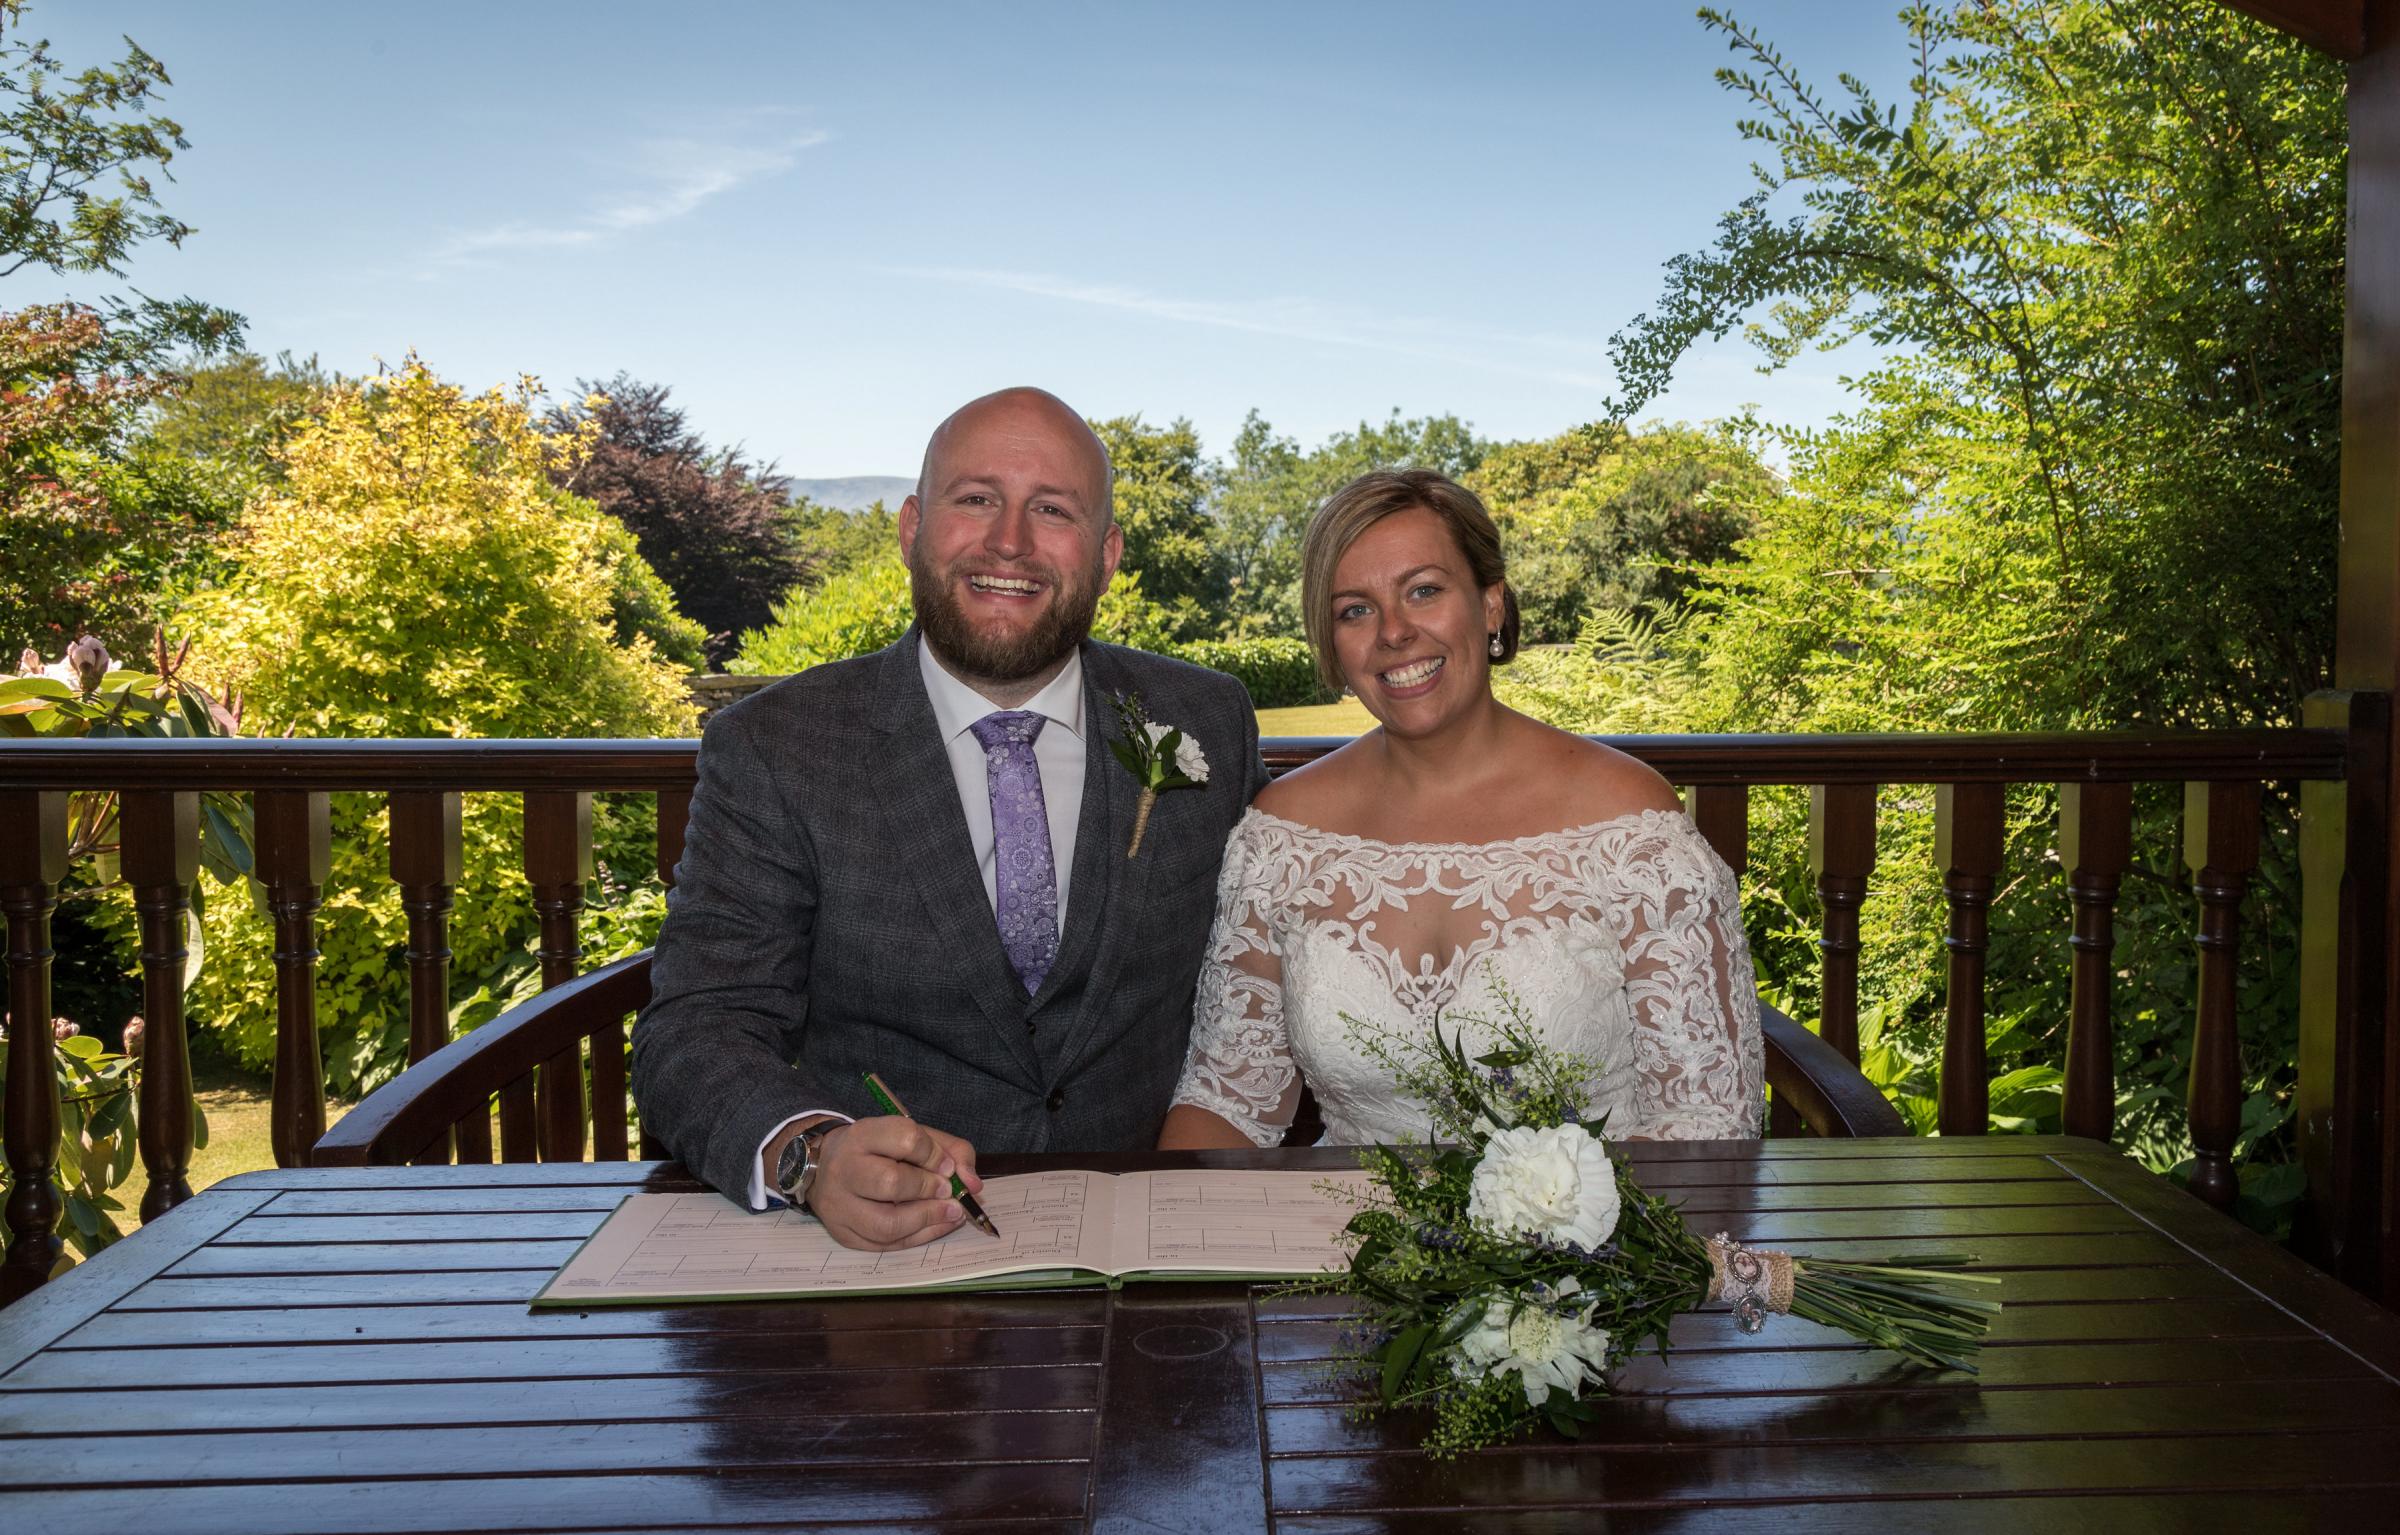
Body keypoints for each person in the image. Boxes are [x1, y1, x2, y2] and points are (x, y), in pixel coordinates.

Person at [635, 386, 1268, 1249]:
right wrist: (811, 1155)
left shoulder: (1208, 721)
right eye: (975, 499)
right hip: (883, 1277)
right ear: (909, 528)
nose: (1009, 541)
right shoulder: (777, 747)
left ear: (1109, 553)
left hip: (1154, 1252)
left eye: (1053, 509)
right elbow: (697, 1026)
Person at [1158, 469, 1761, 1149]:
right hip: (1337, 1240)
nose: (1393, 632)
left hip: (1595, 1245)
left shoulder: (1629, 822)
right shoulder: (1283, 833)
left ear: (1491, 603)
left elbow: (1708, 1124)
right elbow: (1225, 1100)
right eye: (1355, 609)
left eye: (1424, 591)